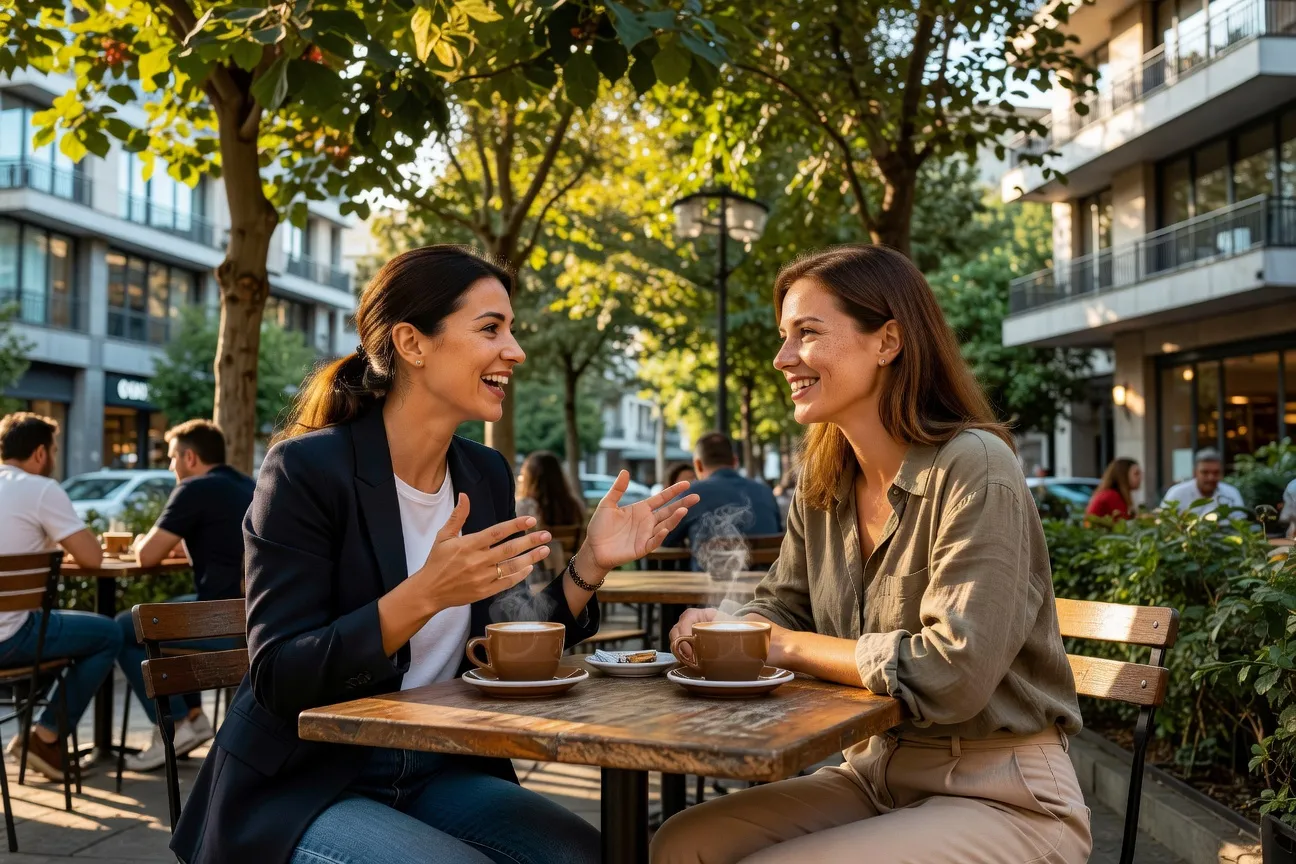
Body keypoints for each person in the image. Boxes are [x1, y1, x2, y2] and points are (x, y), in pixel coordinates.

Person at [170, 245, 699, 864]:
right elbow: (281, 675)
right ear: (412, 344)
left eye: (512, 329)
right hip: (306, 782)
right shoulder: (305, 470)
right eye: (490, 328)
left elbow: (508, 639)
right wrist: (425, 593)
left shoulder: (483, 472)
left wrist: (592, 563)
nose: (516, 350)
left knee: (591, 855)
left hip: (440, 767)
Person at [653, 245, 1089, 864]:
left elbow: (954, 675)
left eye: (807, 333)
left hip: (1004, 793)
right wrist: (730, 628)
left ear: (887, 340)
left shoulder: (976, 465)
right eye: (784, 336)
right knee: (682, 842)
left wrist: (774, 645)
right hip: (874, 772)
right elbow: (783, 604)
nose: (783, 359)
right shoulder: (824, 476)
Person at [115, 419, 255, 772]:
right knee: (170, 613)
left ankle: (175, 722)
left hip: (223, 625)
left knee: (124, 629)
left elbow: (147, 555)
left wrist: (138, 544)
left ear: (190, 458)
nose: (170, 466)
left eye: (173, 457)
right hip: (254, 618)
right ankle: (194, 717)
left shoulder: (194, 489)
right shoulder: (247, 485)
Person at [0, 413, 121, 782]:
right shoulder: (39, 488)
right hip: (11, 638)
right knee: (110, 634)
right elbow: (92, 558)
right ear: (40, 453)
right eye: (53, 449)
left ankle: (40, 739)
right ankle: (46, 735)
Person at [662, 433, 782, 567]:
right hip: (764, 584)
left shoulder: (692, 495)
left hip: (708, 585)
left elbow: (663, 539)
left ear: (698, 465)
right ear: (735, 461)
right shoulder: (765, 492)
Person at [515, 450, 585, 573]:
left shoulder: (525, 507)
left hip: (535, 576)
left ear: (529, 477)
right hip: (570, 573)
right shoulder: (575, 505)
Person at [1160, 449, 1246, 517]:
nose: (1211, 477)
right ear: (1195, 473)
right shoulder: (1177, 493)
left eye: (1216, 472)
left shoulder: (1231, 493)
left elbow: (1241, 521)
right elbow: (1164, 521)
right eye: (1205, 472)